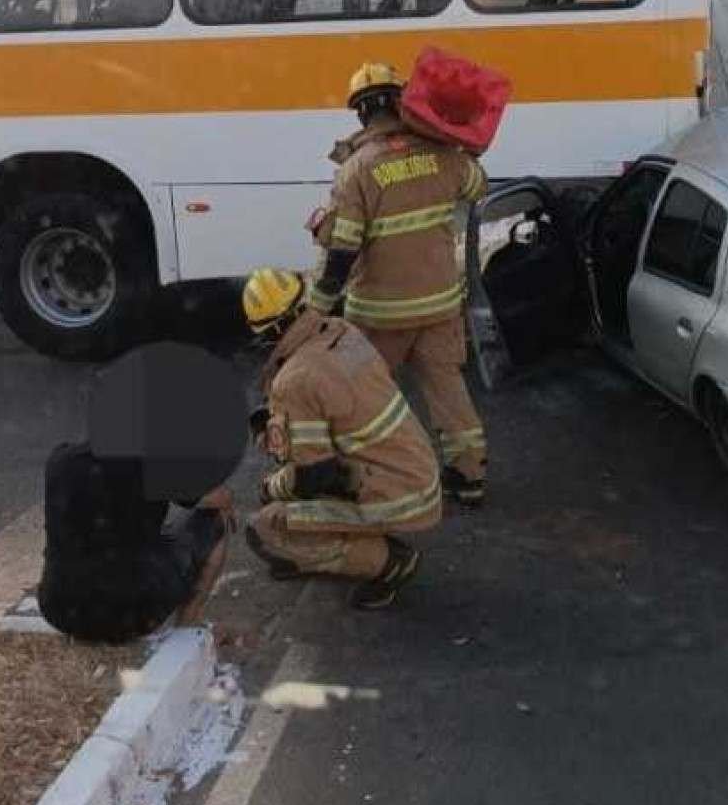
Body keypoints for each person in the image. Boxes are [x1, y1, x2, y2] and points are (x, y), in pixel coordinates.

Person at [306, 63, 490, 508]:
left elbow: (342, 250)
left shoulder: (357, 170)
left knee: (364, 396)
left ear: (360, 115)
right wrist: (454, 140)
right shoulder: (444, 153)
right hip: (440, 306)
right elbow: (477, 186)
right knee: (447, 390)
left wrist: (318, 307)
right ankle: (468, 477)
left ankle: (370, 476)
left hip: (380, 314)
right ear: (402, 101)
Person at [240, 269, 438, 610]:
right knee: (305, 489)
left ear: (273, 330)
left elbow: (315, 475)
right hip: (417, 471)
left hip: (395, 496)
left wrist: (271, 487)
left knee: (266, 526)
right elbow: (337, 400)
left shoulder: (294, 381)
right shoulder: (342, 331)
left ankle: (390, 562)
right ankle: (356, 539)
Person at [35, 441, 234, 642]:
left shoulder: (60, 459)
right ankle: (186, 626)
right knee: (215, 518)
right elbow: (220, 497)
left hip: (59, 610)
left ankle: (89, 616)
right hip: (133, 615)